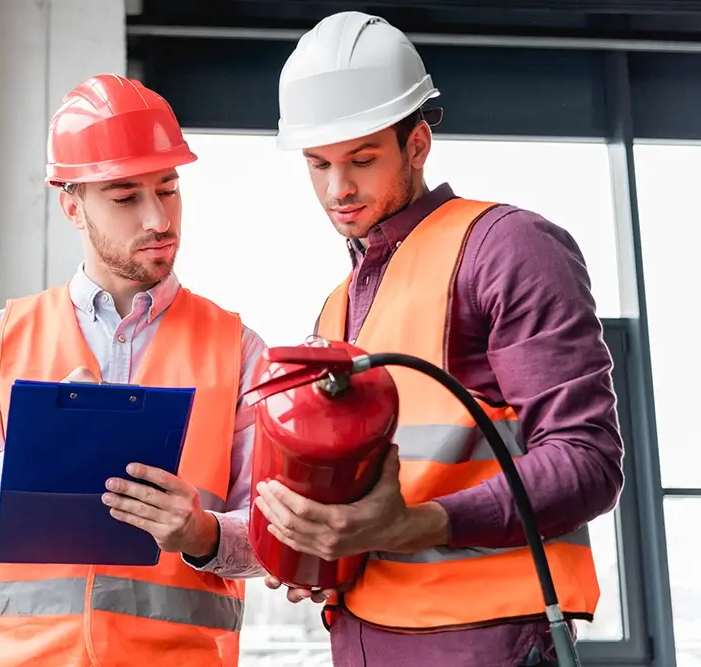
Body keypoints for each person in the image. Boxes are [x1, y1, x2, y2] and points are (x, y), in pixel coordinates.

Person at [253, 12, 625, 667]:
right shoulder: (336, 310)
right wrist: (311, 546)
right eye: (318, 164)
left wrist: (421, 521)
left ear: (418, 143)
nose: (338, 189)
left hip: (488, 640)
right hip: (364, 638)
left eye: (362, 160)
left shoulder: (506, 248)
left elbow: (587, 462)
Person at [0, 74, 266, 667]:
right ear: (73, 207)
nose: (158, 218)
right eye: (125, 196)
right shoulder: (3, 336)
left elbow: (272, 537)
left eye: (168, 188)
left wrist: (201, 534)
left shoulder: (236, 348)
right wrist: (37, 456)